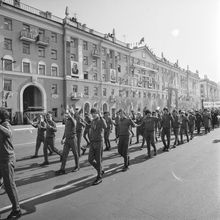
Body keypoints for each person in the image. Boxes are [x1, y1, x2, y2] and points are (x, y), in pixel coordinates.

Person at [0, 107, 22, 219]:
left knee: (9, 185)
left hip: (7, 159)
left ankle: (17, 209)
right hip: (1, 159)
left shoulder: (5, 124)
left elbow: (9, 133)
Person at [55, 108, 79, 175]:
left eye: (67, 113)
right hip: (67, 140)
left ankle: (77, 166)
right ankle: (62, 169)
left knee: (75, 153)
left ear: (71, 114)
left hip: (73, 138)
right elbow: (66, 131)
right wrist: (63, 138)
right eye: (66, 114)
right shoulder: (67, 120)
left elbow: (74, 124)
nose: (66, 115)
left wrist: (71, 116)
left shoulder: (73, 120)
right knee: (64, 154)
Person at [88, 108, 107, 185]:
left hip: (99, 142)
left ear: (97, 113)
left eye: (94, 113)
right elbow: (92, 131)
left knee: (98, 160)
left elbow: (105, 126)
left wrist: (101, 116)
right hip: (92, 142)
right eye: (92, 113)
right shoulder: (92, 121)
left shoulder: (100, 120)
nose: (93, 114)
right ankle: (100, 170)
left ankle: (99, 177)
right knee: (90, 159)